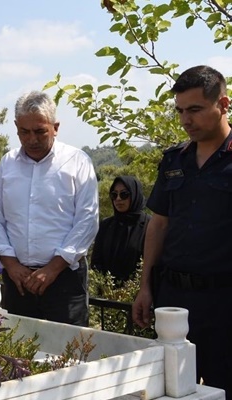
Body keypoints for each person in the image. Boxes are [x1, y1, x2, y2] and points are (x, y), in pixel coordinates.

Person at [132, 65, 232, 396]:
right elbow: (158, 224)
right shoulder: (175, 160)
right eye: (179, 111)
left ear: (223, 105)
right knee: (168, 388)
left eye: (195, 110)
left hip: (224, 302)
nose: (185, 120)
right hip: (174, 299)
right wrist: (146, 286)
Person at [0, 90, 99, 327]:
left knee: (68, 354)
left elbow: (87, 220)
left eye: (40, 131)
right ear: (16, 127)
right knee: (17, 353)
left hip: (64, 280)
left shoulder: (77, 162)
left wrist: (53, 268)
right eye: (24, 132)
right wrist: (11, 264)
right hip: (18, 281)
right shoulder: (7, 163)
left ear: (55, 127)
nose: (32, 140)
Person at [91, 176, 151, 283]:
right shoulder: (106, 225)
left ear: (134, 195)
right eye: (114, 195)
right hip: (105, 294)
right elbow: (96, 262)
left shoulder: (149, 225)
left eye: (124, 194)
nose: (118, 199)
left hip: (139, 294)